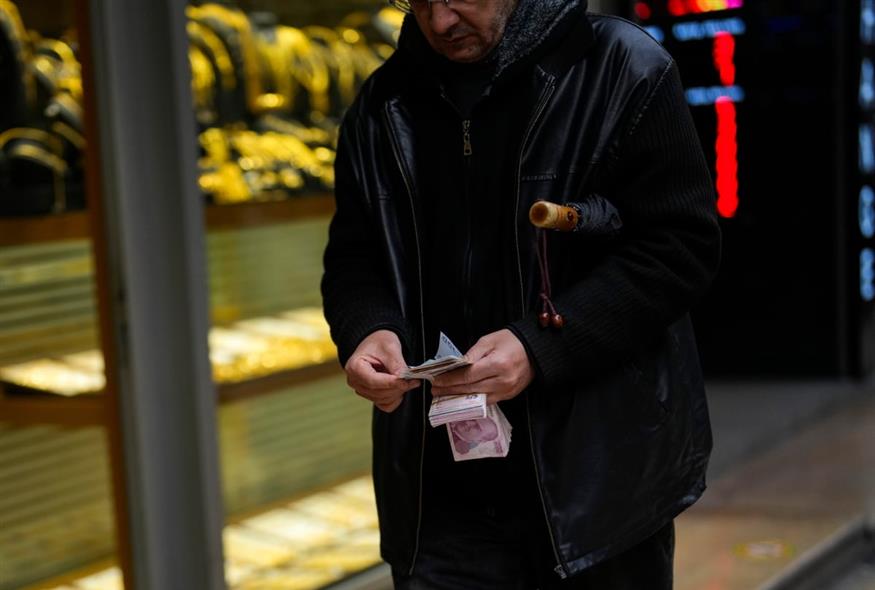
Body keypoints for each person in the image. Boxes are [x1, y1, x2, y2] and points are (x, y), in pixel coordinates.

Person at [321, 0, 721, 587]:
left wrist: (539, 348)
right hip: (441, 503)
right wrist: (368, 326)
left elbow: (680, 249)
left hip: (599, 487)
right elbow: (354, 258)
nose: (439, 22)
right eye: (420, 1)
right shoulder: (381, 105)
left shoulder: (623, 68)